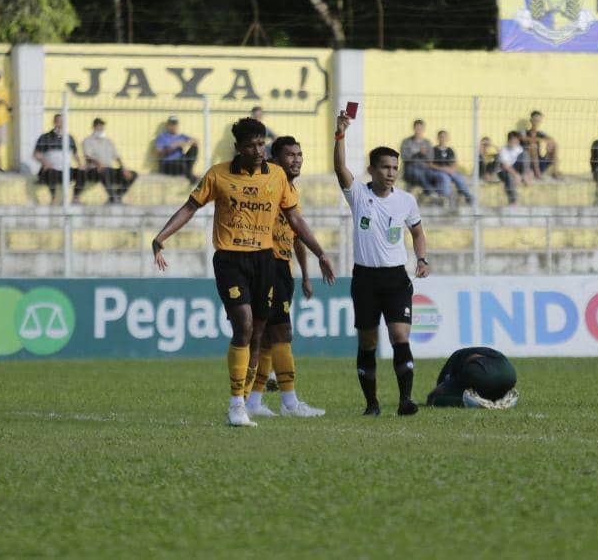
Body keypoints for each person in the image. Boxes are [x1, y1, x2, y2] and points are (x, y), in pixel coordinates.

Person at [151, 117, 335, 427]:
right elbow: (189, 207)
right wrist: (160, 237)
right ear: (238, 147)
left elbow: (295, 219)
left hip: (264, 260)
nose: (259, 150)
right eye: (251, 145)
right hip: (231, 259)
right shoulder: (218, 174)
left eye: (262, 144)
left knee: (260, 332)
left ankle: (249, 400)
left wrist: (320, 253)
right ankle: (236, 404)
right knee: (245, 325)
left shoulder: (276, 176)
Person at [333, 110, 430, 416]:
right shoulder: (359, 194)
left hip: (395, 278)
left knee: (400, 336)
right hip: (365, 279)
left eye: (394, 168)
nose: (391, 173)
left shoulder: (405, 200)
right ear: (372, 170)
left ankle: (405, 400)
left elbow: (416, 230)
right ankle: (371, 404)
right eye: (385, 167)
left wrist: (422, 257)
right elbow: (339, 168)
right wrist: (340, 134)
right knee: (368, 341)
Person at [244, 135, 325, 418]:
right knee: (282, 332)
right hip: (268, 263)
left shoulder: (290, 189)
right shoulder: (268, 183)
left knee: (266, 338)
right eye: (290, 155)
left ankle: (254, 401)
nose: (297, 159)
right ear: (274, 160)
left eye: (299, 154)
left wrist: (304, 274)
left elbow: (297, 235)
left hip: (283, 267)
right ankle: (290, 402)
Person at [426, 347, 518, 408]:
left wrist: (433, 398)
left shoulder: (454, 364)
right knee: (487, 386)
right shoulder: (466, 353)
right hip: (510, 373)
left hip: (481, 372)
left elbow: (438, 392)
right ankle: (500, 397)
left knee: (436, 400)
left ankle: (476, 403)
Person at [81, 118, 138, 204]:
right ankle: (113, 197)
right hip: (94, 170)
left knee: (133, 174)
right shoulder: (87, 141)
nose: (100, 129)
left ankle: (117, 196)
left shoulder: (108, 141)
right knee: (103, 171)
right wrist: (98, 163)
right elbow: (87, 157)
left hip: (108, 169)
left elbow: (117, 156)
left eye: (102, 127)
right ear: (93, 127)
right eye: (98, 127)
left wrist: (123, 168)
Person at [34, 114, 86, 203]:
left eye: (63, 122)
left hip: (66, 171)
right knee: (50, 172)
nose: (61, 124)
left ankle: (75, 197)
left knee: (82, 172)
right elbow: (36, 154)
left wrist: (80, 164)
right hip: (52, 169)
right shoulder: (45, 137)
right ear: (54, 123)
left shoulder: (69, 138)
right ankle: (54, 198)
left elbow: (75, 154)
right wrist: (45, 162)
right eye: (59, 122)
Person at [399, 119, 442, 196]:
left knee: (437, 175)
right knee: (419, 173)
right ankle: (430, 192)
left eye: (421, 129)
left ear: (424, 129)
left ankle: (440, 194)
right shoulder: (406, 142)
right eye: (417, 128)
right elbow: (404, 157)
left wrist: (425, 154)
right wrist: (417, 153)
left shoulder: (427, 142)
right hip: (410, 168)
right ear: (413, 128)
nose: (418, 131)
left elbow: (431, 159)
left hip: (425, 168)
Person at [430, 130, 473, 204]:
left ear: (447, 139)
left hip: (449, 170)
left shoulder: (450, 150)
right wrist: (443, 169)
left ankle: (468, 196)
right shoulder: (433, 150)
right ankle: (446, 198)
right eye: (441, 137)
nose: (443, 139)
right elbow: (430, 164)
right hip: (438, 171)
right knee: (445, 178)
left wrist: (451, 169)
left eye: (444, 137)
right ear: (438, 138)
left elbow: (454, 163)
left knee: (459, 177)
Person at [154, 115, 200, 182]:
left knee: (194, 148)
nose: (173, 127)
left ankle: (189, 172)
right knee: (181, 166)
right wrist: (173, 146)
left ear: (177, 126)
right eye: (171, 125)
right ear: (167, 126)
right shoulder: (162, 137)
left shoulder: (181, 136)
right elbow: (158, 154)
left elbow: (195, 141)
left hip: (181, 161)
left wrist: (185, 143)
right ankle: (191, 176)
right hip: (168, 164)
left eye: (175, 125)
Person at [523, 110, 559, 180]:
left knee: (554, 145)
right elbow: (524, 138)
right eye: (535, 120)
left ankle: (555, 172)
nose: (537, 123)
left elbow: (552, 140)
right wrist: (541, 140)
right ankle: (538, 174)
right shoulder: (524, 132)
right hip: (529, 164)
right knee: (533, 146)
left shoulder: (540, 133)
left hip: (540, 162)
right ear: (531, 120)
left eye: (538, 121)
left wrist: (548, 145)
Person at [498, 131, 527, 205]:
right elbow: (505, 166)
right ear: (509, 140)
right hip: (504, 171)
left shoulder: (519, 148)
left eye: (516, 140)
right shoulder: (503, 149)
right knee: (509, 177)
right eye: (513, 140)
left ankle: (524, 176)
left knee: (525, 154)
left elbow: (524, 162)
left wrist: (526, 174)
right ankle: (513, 201)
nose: (515, 141)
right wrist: (516, 175)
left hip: (516, 170)